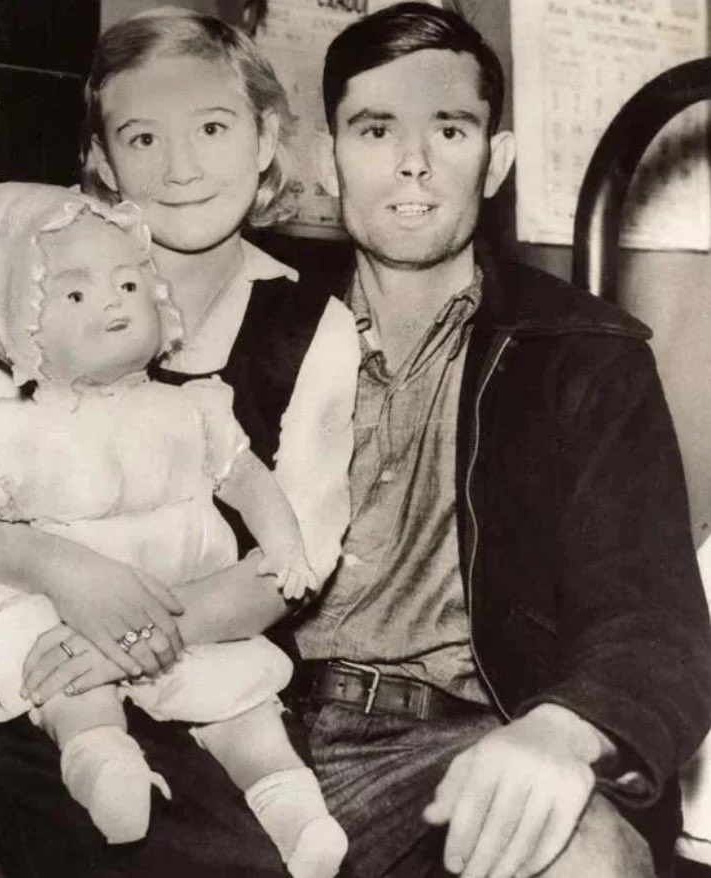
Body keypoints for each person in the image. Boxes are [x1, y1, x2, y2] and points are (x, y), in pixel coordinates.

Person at [0, 9, 358, 878]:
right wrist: (50, 575)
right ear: (102, 161)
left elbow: (296, 562)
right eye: (142, 139)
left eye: (212, 129)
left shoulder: (308, 325)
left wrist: (121, 640)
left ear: (265, 140)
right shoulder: (44, 290)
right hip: (32, 658)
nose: (179, 169)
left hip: (209, 665)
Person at [285, 4, 711, 878]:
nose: (413, 161)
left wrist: (563, 729)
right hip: (251, 730)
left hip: (464, 746)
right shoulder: (254, 331)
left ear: (496, 160)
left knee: (581, 855)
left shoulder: (585, 355)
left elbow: (653, 621)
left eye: (449, 128)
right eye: (374, 129)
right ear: (327, 161)